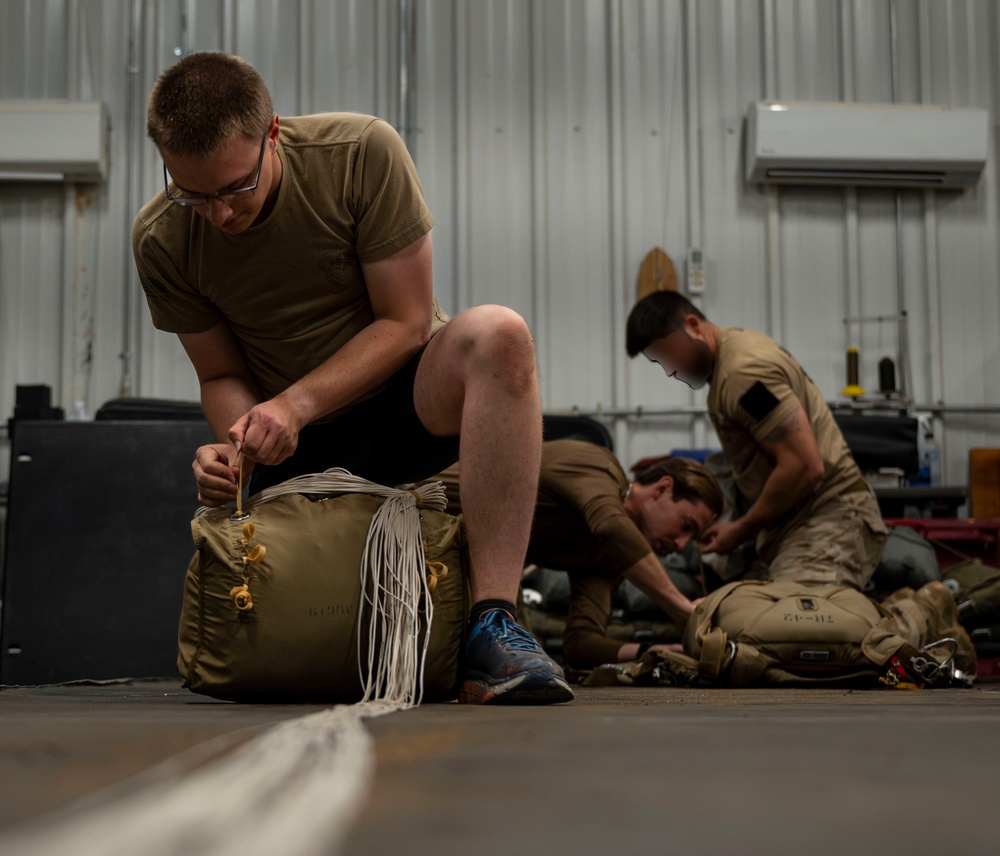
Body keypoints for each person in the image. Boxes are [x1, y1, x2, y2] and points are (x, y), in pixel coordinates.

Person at [132, 52, 571, 705]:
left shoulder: (361, 153)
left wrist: (295, 404)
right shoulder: (163, 240)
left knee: (499, 335)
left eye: (235, 188)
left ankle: (493, 624)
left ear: (273, 134)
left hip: (399, 406)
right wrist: (236, 443)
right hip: (291, 444)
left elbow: (407, 323)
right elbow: (220, 371)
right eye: (192, 193)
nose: (219, 214)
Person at [626, 291, 887, 590]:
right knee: (738, 619)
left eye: (669, 353)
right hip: (788, 527)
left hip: (830, 517)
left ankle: (924, 610)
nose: (670, 369)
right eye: (660, 361)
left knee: (791, 627)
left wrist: (741, 529)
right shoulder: (732, 359)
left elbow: (804, 465)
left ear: (693, 326)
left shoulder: (742, 373)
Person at [435, 439, 724, 670]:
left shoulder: (607, 557)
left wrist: (650, 651)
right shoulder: (598, 465)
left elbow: (581, 642)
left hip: (448, 556)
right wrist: (679, 607)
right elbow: (610, 524)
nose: (683, 544)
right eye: (686, 526)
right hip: (419, 514)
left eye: (693, 538)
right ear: (662, 489)